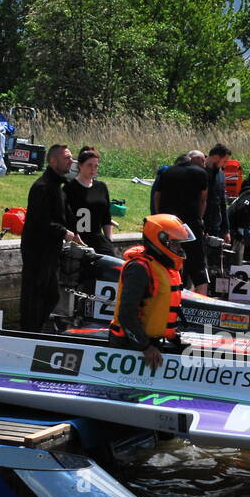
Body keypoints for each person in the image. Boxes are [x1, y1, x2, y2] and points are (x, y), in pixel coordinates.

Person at [108, 214, 194, 370]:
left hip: (149, 341)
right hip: (129, 345)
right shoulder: (139, 268)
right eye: (176, 244)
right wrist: (145, 347)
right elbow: (126, 314)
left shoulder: (162, 267)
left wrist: (175, 339)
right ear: (160, 242)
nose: (180, 249)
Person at [21, 143, 83, 330]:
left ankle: (35, 328)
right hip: (37, 249)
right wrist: (64, 232)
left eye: (71, 157)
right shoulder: (43, 186)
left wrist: (76, 233)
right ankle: (28, 331)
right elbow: (41, 220)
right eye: (66, 158)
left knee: (51, 294)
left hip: (51, 249)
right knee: (36, 294)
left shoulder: (57, 186)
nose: (71, 161)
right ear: (53, 161)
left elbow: (64, 214)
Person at [153, 149, 210, 293]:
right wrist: (200, 218)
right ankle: (202, 299)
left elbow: (157, 196)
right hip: (190, 223)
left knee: (169, 261)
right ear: (191, 160)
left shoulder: (166, 172)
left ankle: (171, 295)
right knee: (197, 264)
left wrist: (160, 215)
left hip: (169, 223)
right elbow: (203, 200)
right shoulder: (201, 174)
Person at [64, 145, 114, 256]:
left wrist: (109, 240)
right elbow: (64, 216)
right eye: (89, 165)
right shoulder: (70, 188)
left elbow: (106, 217)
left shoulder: (101, 187)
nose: (93, 169)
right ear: (80, 166)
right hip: (78, 239)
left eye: (96, 166)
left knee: (115, 266)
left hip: (98, 238)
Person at [202, 143, 232, 263]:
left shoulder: (220, 175)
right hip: (201, 224)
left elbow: (223, 203)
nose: (225, 165)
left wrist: (226, 230)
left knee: (214, 263)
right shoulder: (200, 172)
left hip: (215, 225)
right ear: (215, 157)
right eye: (224, 161)